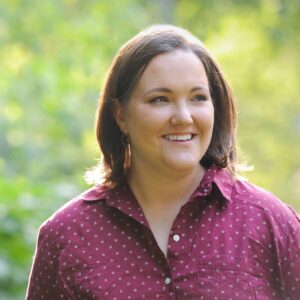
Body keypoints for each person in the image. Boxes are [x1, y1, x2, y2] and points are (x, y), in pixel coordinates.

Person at [26, 24, 300, 299]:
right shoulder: (67, 236)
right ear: (121, 116)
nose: (183, 117)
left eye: (198, 98)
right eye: (160, 99)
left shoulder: (270, 223)